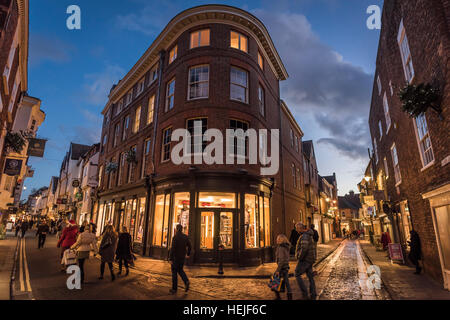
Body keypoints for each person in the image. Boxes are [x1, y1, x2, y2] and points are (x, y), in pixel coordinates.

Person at [294, 222, 317, 300]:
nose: (296, 230)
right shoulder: (307, 235)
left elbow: (304, 249)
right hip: (310, 258)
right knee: (310, 276)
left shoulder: (304, 236)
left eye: (297, 228)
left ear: (300, 228)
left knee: (297, 273)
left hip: (305, 259)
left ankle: (304, 292)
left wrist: (299, 257)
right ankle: (313, 293)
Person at [169, 224, 192, 294]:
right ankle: (186, 281)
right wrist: (188, 254)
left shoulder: (175, 237)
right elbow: (190, 246)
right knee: (180, 270)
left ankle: (174, 289)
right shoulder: (185, 237)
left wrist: (170, 258)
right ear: (182, 229)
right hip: (182, 257)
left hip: (175, 257)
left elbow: (173, 249)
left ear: (176, 229)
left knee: (174, 273)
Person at [273, 234, 292, 300]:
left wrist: (278, 270)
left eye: (278, 239)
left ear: (282, 240)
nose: (277, 240)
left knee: (275, 280)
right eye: (277, 238)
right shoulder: (286, 247)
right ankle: (290, 296)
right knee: (287, 282)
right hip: (286, 266)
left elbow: (281, 260)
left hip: (282, 267)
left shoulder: (281, 248)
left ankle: (277, 296)